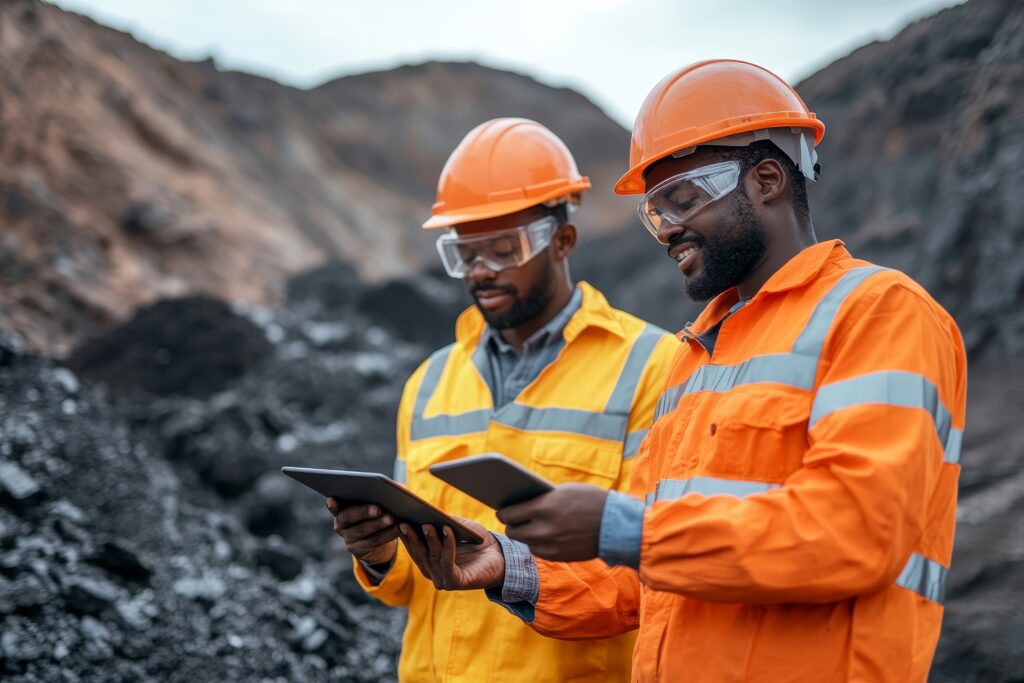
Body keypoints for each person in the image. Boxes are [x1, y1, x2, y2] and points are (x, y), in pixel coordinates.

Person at [398, 60, 968, 683]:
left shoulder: (880, 313)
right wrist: (511, 567)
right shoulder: (696, 358)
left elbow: (856, 533)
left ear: (769, 179)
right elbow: (644, 579)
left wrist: (621, 526)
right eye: (655, 211)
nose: (667, 230)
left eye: (682, 200)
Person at [326, 117, 679, 682]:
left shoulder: (654, 368)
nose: (481, 271)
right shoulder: (429, 381)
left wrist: (511, 570)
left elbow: (660, 565)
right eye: (464, 254)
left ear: (563, 241)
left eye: (502, 249)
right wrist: (377, 554)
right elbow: (408, 589)